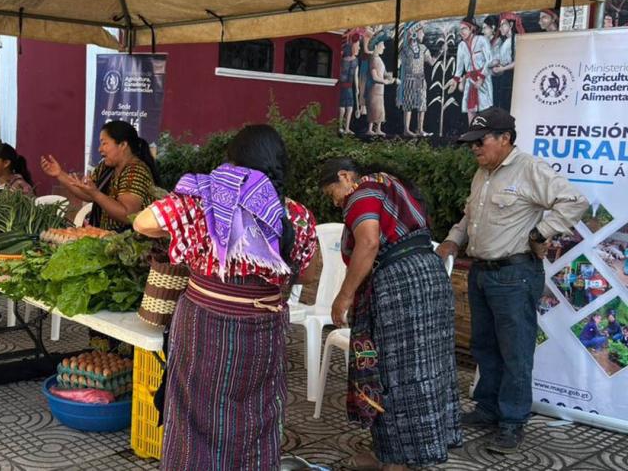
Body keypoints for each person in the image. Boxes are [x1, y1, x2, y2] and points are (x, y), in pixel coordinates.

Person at [132, 124, 319, 470]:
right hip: (264, 328)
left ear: (232, 163)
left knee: (193, 414)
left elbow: (142, 223)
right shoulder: (296, 215)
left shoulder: (206, 200)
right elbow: (307, 274)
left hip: (204, 324)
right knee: (256, 415)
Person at [436, 107, 588, 454]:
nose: (474, 148)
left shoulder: (529, 169)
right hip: (481, 273)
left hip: (515, 275)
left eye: (481, 141)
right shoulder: (483, 174)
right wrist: (452, 240)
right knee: (484, 346)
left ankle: (512, 422)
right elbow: (470, 216)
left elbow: (574, 201)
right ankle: (488, 409)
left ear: (505, 138)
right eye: (472, 142)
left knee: (515, 352)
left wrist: (541, 231)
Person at [319, 157, 461, 470]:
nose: (336, 201)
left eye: (332, 192)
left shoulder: (363, 191)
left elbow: (369, 243)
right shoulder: (391, 186)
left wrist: (344, 296)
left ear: (345, 176)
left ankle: (397, 461)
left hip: (401, 285)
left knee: (394, 374)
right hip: (428, 277)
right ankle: (397, 454)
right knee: (425, 369)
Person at [41, 120, 158, 353]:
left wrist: (94, 193)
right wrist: (60, 175)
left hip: (129, 253)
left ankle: (121, 360)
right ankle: (102, 357)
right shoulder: (107, 167)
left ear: (123, 145)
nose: (100, 149)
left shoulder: (136, 171)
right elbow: (88, 195)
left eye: (104, 143)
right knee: (102, 311)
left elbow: (127, 214)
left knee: (119, 314)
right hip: (107, 250)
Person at [397, 22, 440, 137]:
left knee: (422, 105)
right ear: (415, 34)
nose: (423, 35)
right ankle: (406, 130)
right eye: (422, 32)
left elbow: (431, 62)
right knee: (408, 105)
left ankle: (420, 129)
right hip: (409, 80)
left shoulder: (423, 48)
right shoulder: (405, 50)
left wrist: (440, 52)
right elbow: (399, 64)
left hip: (420, 80)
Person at [449, 18, 493, 125]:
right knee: (470, 110)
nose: (461, 32)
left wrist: (481, 78)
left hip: (483, 79)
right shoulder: (461, 46)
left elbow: (489, 60)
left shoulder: (482, 40)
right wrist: (455, 81)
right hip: (470, 81)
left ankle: (485, 132)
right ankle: (472, 132)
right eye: (460, 29)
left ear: (472, 28)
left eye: (464, 28)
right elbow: (459, 67)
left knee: (485, 109)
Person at [489, 13, 525, 111]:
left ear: (511, 25)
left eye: (503, 25)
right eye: (499, 25)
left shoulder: (517, 39)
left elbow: (520, 61)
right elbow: (500, 59)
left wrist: (503, 68)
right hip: (505, 78)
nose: (500, 28)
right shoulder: (506, 41)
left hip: (514, 78)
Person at [366, 32, 397, 136]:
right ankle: (370, 129)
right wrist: (385, 82)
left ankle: (378, 129)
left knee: (380, 110)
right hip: (374, 90)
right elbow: (375, 77)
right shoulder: (373, 60)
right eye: (382, 45)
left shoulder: (379, 59)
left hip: (379, 90)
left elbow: (384, 74)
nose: (383, 47)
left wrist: (392, 77)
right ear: (376, 46)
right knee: (374, 109)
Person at [339, 35, 361, 135]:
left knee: (345, 107)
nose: (359, 48)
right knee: (347, 107)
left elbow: (354, 75)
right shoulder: (354, 61)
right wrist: (357, 88)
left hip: (345, 85)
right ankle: (344, 127)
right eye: (357, 46)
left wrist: (357, 88)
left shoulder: (344, 61)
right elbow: (355, 76)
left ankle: (342, 127)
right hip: (347, 86)